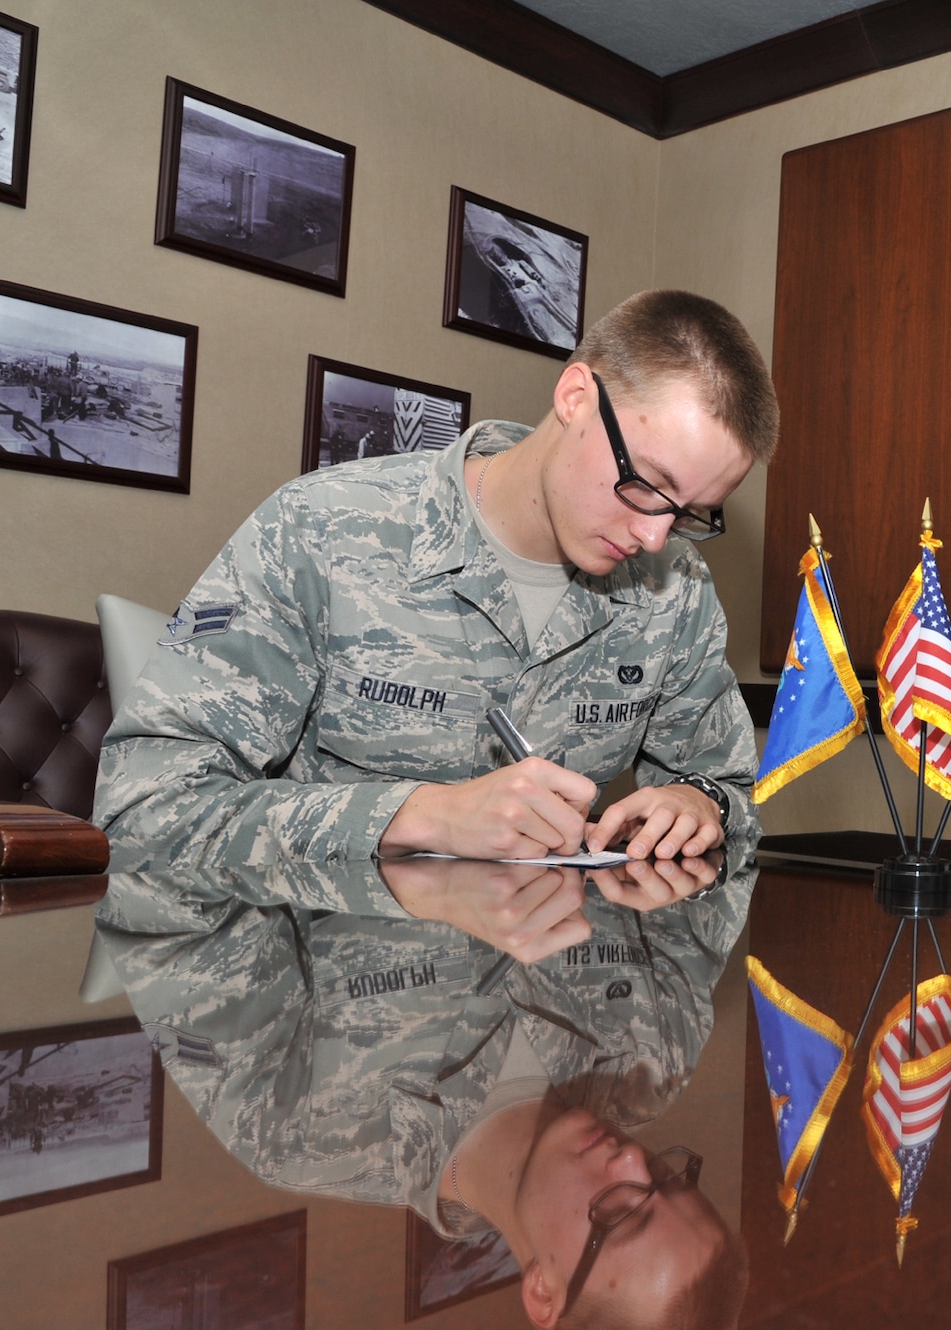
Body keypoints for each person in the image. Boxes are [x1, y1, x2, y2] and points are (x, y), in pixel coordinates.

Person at [98, 289, 776, 873]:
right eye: (647, 484)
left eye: (689, 512)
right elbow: (146, 806)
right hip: (335, 997)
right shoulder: (321, 530)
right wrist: (414, 816)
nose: (655, 536)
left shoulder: (674, 590)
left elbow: (729, 791)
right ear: (575, 397)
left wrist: (700, 804)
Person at [97, 850, 757, 1328]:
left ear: (544, 1294)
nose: (637, 1160)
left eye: (624, 1214)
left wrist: (401, 849)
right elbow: (721, 855)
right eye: (673, 1181)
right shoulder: (652, 1059)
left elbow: (155, 864)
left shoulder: (302, 1125)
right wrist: (692, 814)